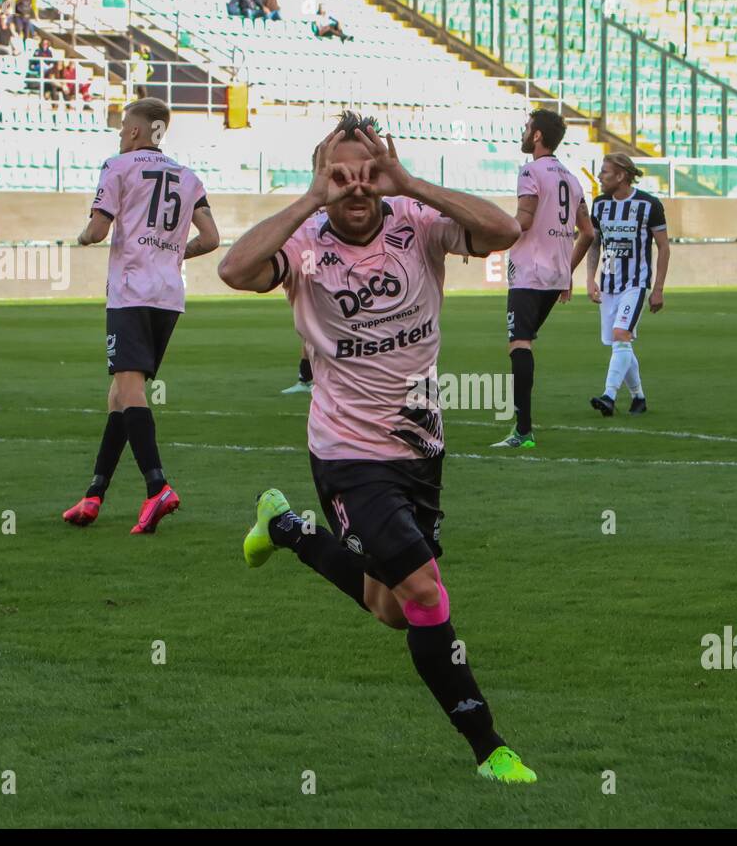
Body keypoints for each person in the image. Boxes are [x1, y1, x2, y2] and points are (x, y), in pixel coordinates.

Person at [216, 112, 536, 784]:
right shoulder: (304, 243)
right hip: (346, 453)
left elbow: (508, 230)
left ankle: (283, 527)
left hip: (420, 447)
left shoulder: (416, 222)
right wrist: (311, 197)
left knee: (392, 608)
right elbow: (234, 269)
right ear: (322, 176)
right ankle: (489, 747)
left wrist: (411, 183)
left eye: (366, 172)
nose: (356, 187)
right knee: (424, 590)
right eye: (341, 174)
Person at [62, 98, 220, 533]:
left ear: (134, 132)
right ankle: (94, 494)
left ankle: (158, 487)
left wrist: (79, 237)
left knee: (129, 391)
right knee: (120, 395)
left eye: (121, 129)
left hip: (131, 293)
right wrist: (173, 255)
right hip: (168, 296)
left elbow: (96, 231)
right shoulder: (188, 178)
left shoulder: (118, 166)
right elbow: (210, 239)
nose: (119, 135)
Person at [492, 109, 593, 449]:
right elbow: (589, 233)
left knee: (519, 344)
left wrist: (481, 232)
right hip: (555, 276)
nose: (523, 133)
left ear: (537, 136)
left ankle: (523, 432)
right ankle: (522, 429)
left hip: (528, 272)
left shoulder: (530, 172)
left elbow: (522, 221)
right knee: (524, 343)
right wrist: (568, 272)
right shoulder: (573, 178)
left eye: (526, 128)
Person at [579, 152, 668, 416]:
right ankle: (638, 397)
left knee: (620, 335)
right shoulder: (600, 205)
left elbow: (663, 246)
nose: (600, 177)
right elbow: (594, 243)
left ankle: (608, 395)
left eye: (605, 172)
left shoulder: (649, 204)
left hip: (635, 283)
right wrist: (590, 278)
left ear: (621, 176)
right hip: (608, 284)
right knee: (620, 343)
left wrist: (659, 288)